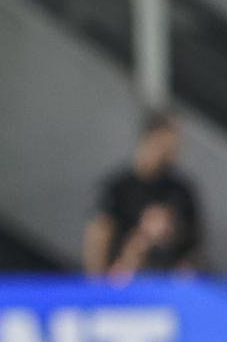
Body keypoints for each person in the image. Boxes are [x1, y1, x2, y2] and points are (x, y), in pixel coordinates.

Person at [82, 111, 201, 277]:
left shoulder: (181, 192)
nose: (172, 152)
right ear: (150, 138)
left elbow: (192, 245)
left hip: (165, 277)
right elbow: (99, 230)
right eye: (166, 144)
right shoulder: (118, 187)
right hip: (119, 273)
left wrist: (169, 231)